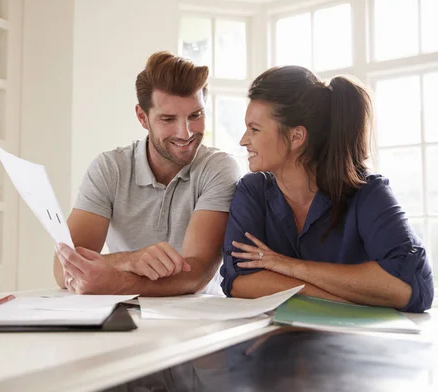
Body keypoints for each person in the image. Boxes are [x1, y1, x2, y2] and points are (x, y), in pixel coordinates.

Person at [221, 65, 434, 313]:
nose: (243, 140)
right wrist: (343, 298)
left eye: (254, 129)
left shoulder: (367, 192)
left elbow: (412, 287)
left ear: (296, 137)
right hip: (276, 344)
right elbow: (240, 282)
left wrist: (289, 266)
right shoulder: (252, 191)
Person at [54, 51, 241, 296]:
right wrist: (129, 260)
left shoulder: (218, 168)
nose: (185, 133)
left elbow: (196, 274)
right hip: (122, 315)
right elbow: (62, 268)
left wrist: (116, 281)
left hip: (199, 318)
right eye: (168, 119)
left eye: (195, 115)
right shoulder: (110, 168)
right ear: (143, 117)